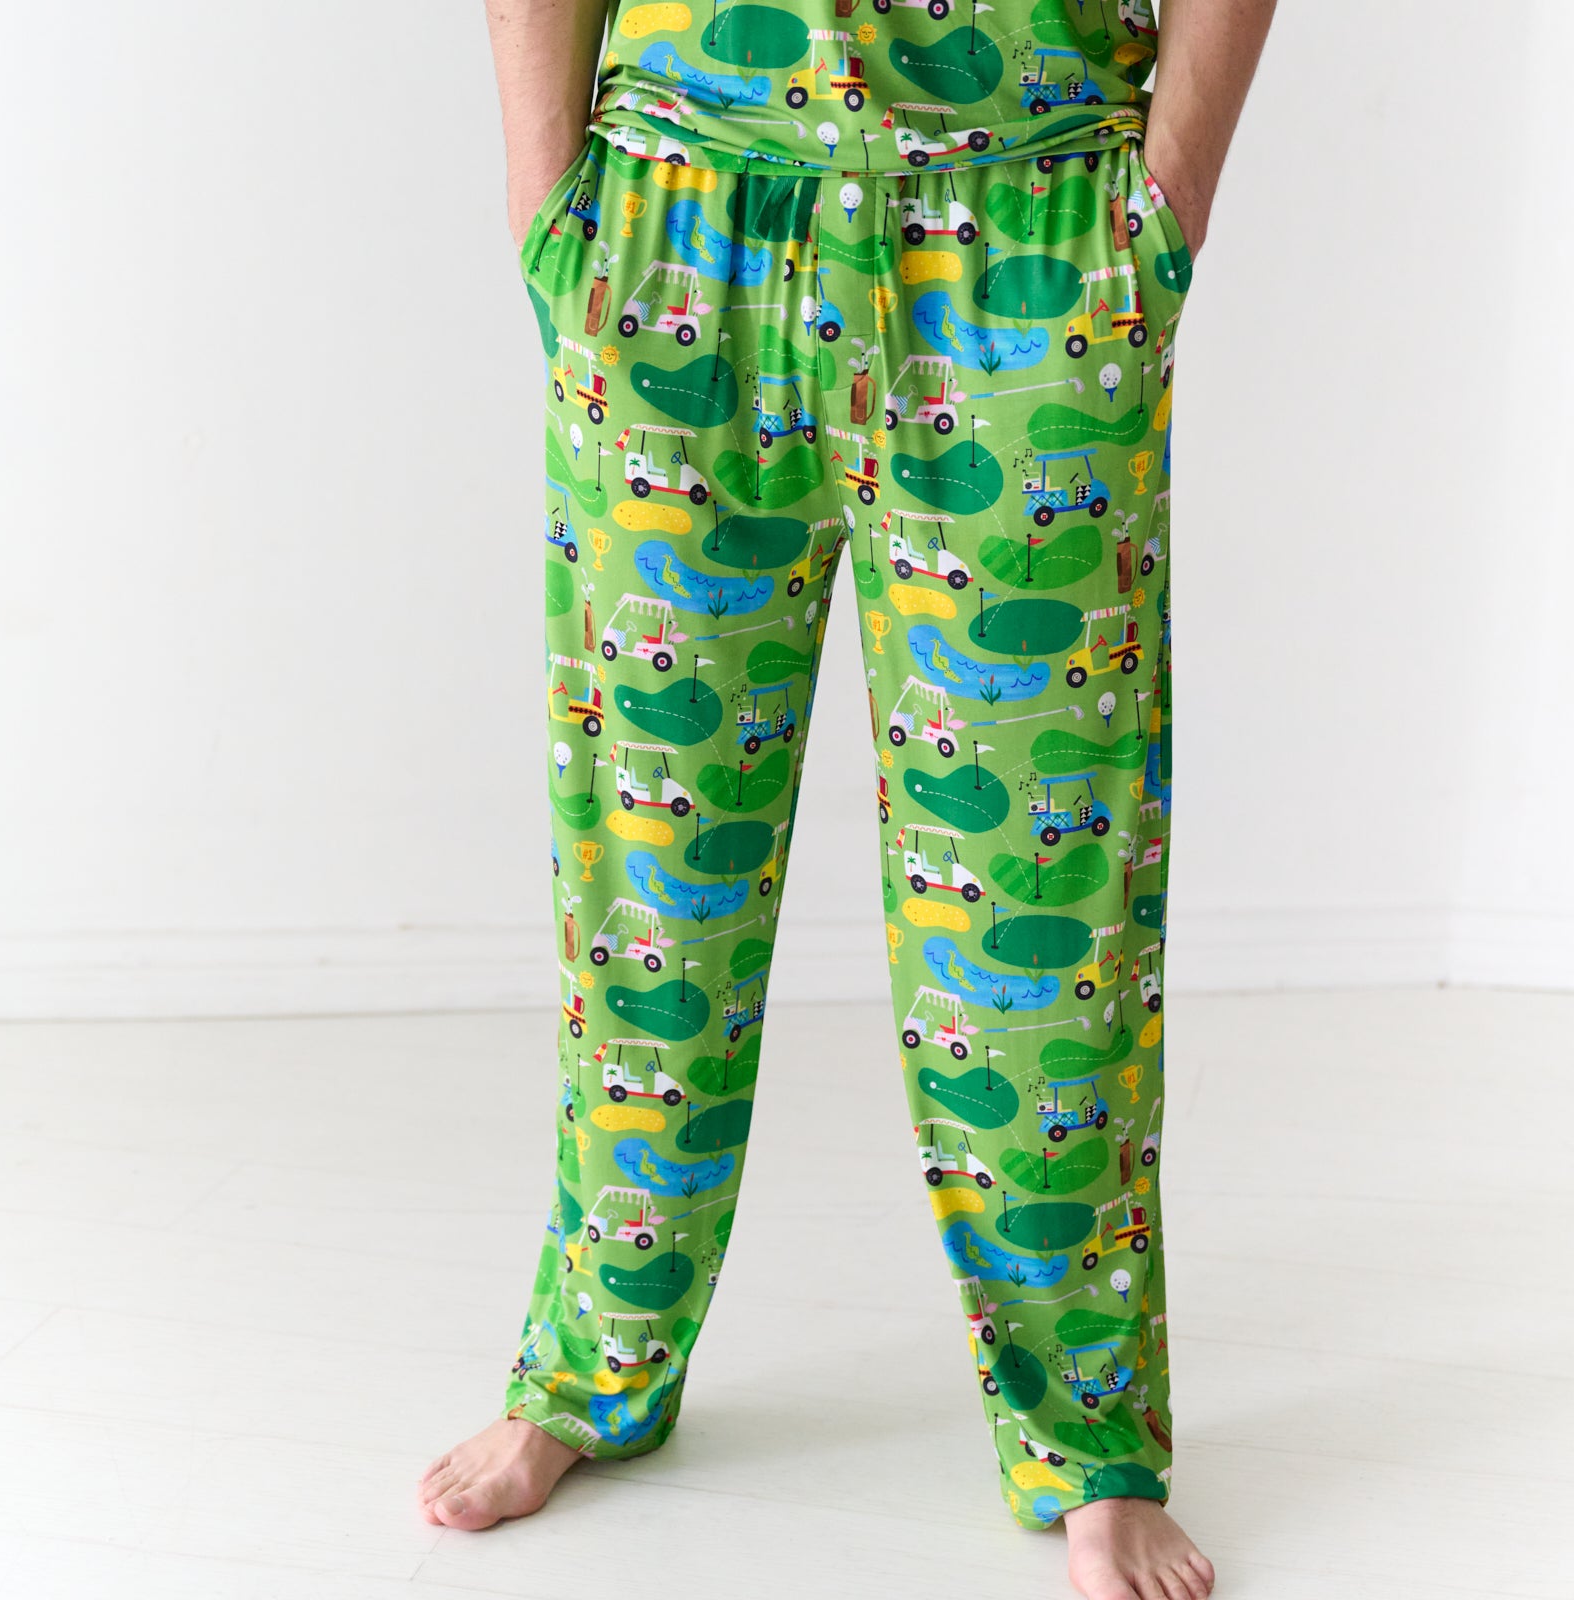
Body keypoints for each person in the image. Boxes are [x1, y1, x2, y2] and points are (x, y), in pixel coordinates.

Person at [420, 3, 1274, 1595]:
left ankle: (1089, 1438)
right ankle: (593, 1367)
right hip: (677, 225)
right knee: (651, 889)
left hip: (1026, 223)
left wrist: (1166, 205)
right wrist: (549, 202)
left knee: (1038, 899)